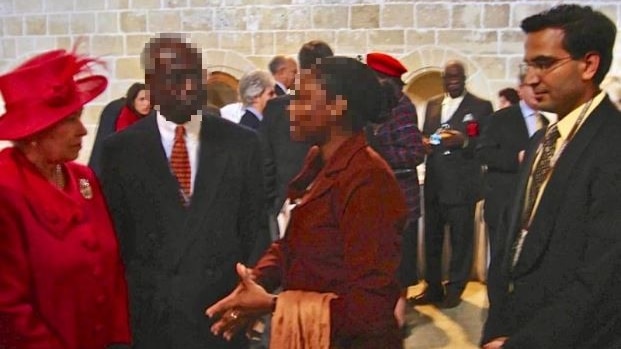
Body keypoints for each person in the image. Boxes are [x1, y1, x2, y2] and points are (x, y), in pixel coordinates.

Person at [206, 56, 408, 349]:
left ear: (337, 107)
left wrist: (274, 305)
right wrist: (257, 279)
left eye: (302, 99)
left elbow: (370, 309)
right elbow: (293, 243)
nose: (291, 109)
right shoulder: (318, 160)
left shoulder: (368, 180)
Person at [99, 34, 270, 349]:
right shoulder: (120, 152)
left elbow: (256, 227)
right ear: (151, 83)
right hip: (152, 324)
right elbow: (116, 244)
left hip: (222, 319)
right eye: (177, 77)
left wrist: (248, 294)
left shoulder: (242, 144)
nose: (190, 87)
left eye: (195, 76)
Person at [482, 5, 621, 348]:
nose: (530, 79)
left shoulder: (612, 143)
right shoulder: (541, 141)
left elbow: (602, 279)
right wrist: (497, 326)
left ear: (589, 65)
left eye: (544, 64)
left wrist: (523, 343)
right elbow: (514, 242)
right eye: (528, 65)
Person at [0, 48, 130, 349]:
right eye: (70, 120)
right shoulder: (5, 190)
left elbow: (111, 272)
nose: (83, 131)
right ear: (35, 131)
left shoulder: (84, 179)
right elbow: (8, 309)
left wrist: (118, 340)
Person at [416, 60, 493, 308]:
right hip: (435, 182)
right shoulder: (433, 105)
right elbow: (425, 133)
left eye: (457, 77)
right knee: (432, 238)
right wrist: (425, 142)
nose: (453, 81)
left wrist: (464, 142)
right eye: (448, 77)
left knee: (461, 240)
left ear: (464, 78)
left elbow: (487, 144)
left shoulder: (481, 107)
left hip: (462, 185)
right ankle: (433, 287)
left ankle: (455, 288)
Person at [477, 73, 548, 307]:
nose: (538, 90)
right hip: (503, 201)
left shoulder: (547, 123)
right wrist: (515, 159)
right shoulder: (500, 118)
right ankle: (497, 313)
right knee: (500, 258)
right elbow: (483, 153)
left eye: (542, 85)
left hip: (532, 204)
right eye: (532, 85)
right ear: (520, 89)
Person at [365, 52, 425, 328]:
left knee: (400, 266)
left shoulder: (401, 106)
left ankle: (397, 324)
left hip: (402, 199)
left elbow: (414, 153)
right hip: (377, 201)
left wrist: (377, 156)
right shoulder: (369, 108)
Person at [261, 40, 334, 239]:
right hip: (328, 207)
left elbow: (266, 162)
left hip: (287, 205)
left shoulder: (275, 109)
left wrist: (273, 204)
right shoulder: (339, 108)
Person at [88, 82, 155, 175]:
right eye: (142, 99)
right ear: (133, 101)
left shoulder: (151, 118)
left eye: (149, 100)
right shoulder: (120, 115)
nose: (147, 104)